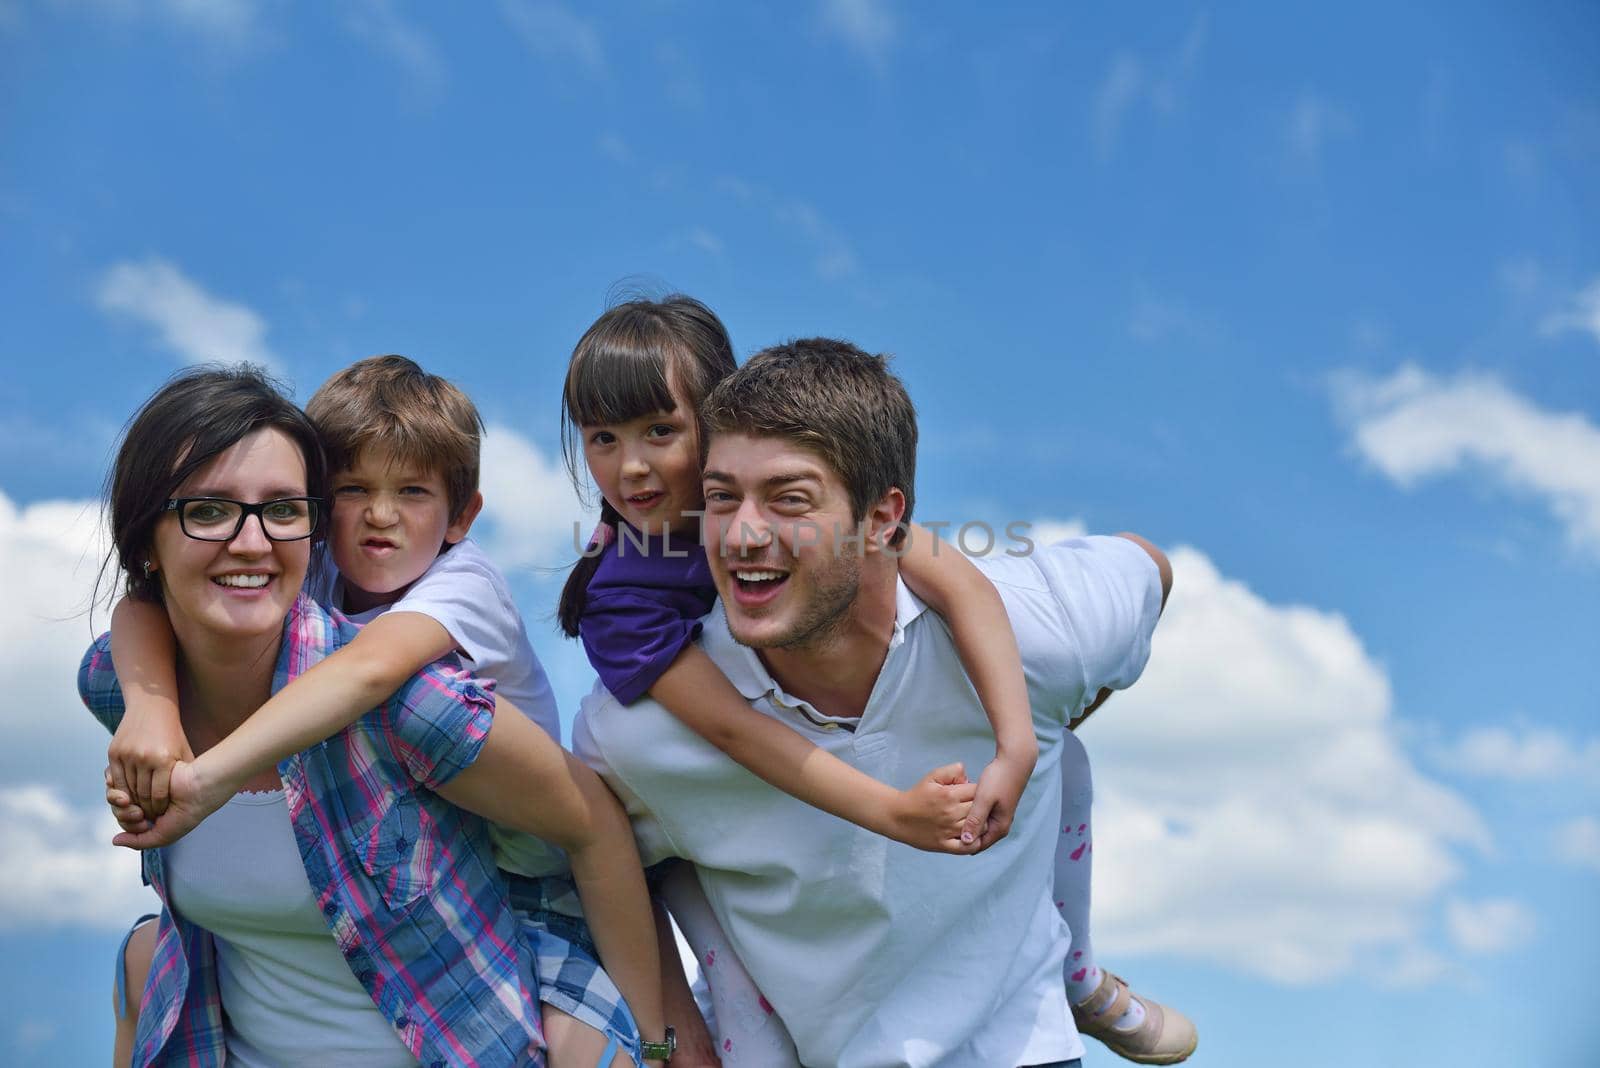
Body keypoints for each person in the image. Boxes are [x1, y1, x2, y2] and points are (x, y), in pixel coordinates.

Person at [573, 338, 1197, 1066]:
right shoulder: (641, 720)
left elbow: (1146, 568)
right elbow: (597, 848)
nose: (743, 534)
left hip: (1019, 1047)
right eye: (722, 497)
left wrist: (1029, 736)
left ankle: (1077, 975)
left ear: (881, 519)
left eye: (789, 498)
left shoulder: (1034, 633)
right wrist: (678, 1048)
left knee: (1070, 762)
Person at [86, 365, 670, 1066]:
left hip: (530, 911)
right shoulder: (127, 685)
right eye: (207, 510)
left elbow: (370, 672)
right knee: (149, 950)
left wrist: (656, 1039)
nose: (250, 541)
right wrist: (150, 706)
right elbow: (139, 611)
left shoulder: (423, 676)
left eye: (280, 509)